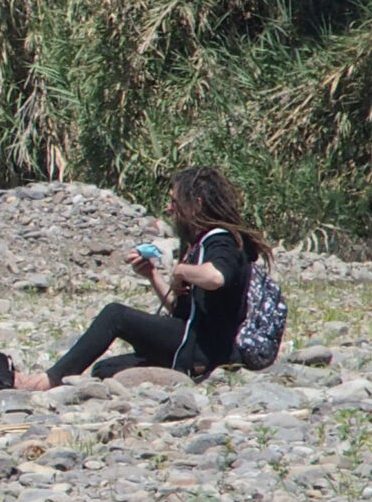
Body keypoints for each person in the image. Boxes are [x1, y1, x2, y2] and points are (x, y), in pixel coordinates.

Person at [14, 165, 268, 389]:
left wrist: (180, 271)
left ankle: (48, 380)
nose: (169, 208)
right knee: (104, 369)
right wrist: (152, 275)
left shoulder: (222, 240)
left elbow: (216, 277)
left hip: (206, 347)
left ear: (196, 204)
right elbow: (182, 311)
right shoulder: (197, 243)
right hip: (193, 341)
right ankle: (176, 373)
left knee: (115, 315)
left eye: (174, 202)